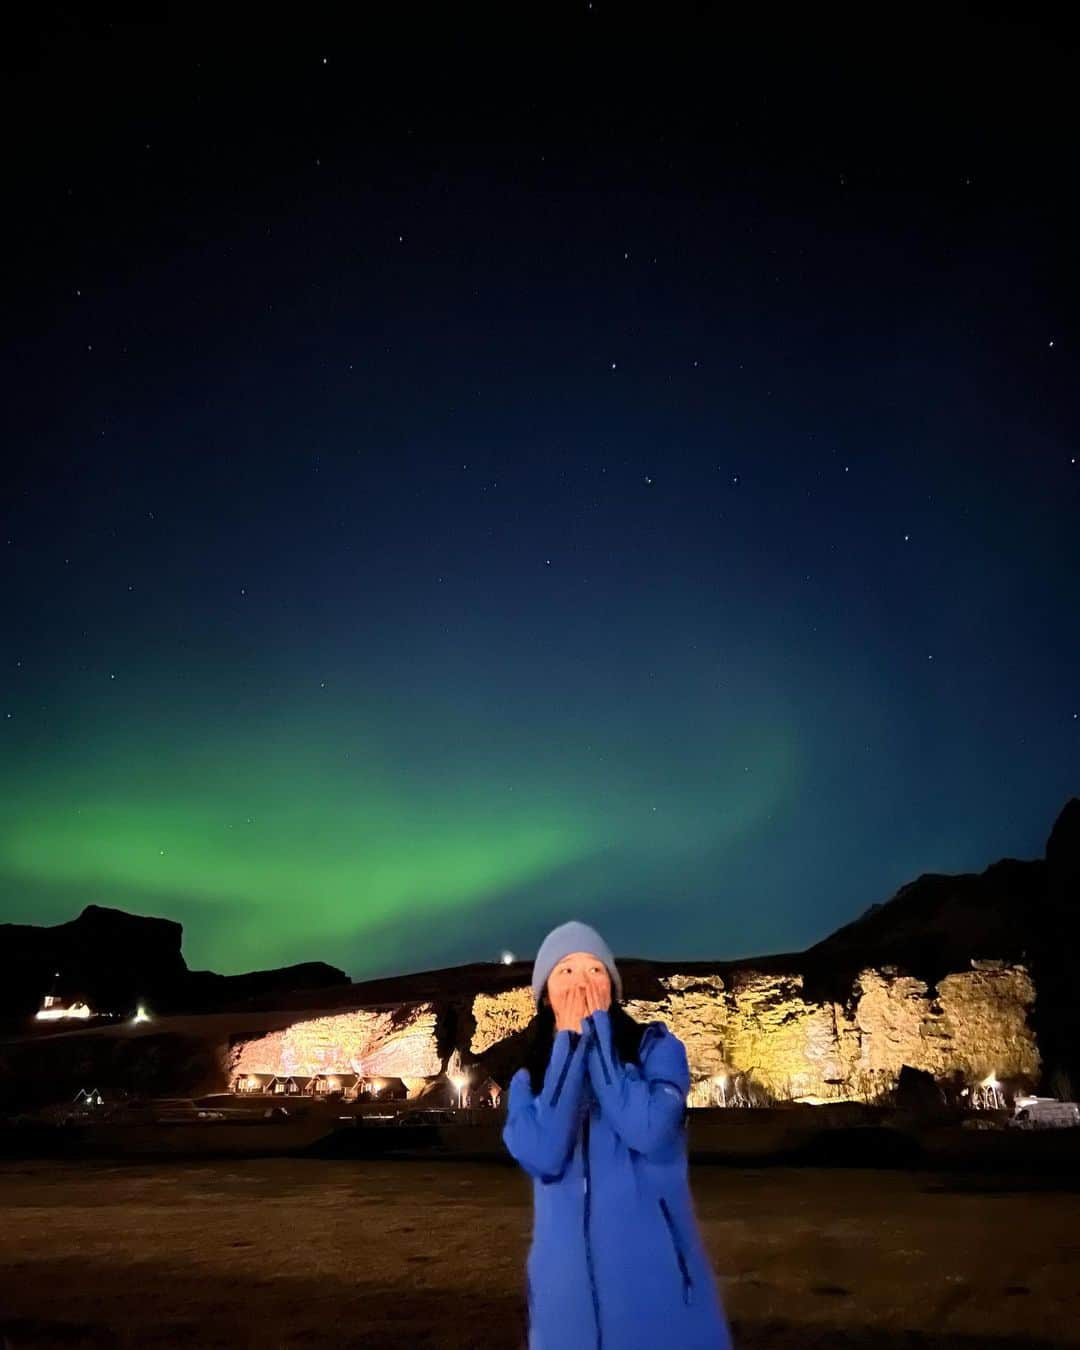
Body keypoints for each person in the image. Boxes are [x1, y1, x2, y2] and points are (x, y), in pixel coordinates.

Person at [502, 920, 733, 1349]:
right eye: (565, 971)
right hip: (564, 1311)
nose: (581, 984)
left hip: (659, 1298)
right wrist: (570, 1047)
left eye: (594, 970)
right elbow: (543, 1155)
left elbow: (646, 1130)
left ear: (612, 985)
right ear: (545, 995)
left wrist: (599, 1043)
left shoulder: (656, 1050)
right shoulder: (526, 1080)